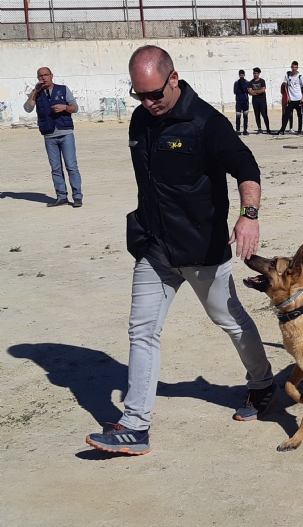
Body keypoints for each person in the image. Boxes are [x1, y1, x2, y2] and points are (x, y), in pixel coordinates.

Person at [85, 45, 274, 455]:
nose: (149, 103)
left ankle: (262, 383)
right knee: (142, 329)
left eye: (155, 94)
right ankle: (135, 425)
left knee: (231, 320)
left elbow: (246, 166)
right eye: (140, 95)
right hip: (154, 245)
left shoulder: (206, 121)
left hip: (201, 247)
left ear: (174, 78)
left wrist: (250, 214)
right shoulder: (140, 119)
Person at [23, 67, 84, 207]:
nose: (43, 78)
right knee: (55, 168)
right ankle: (61, 196)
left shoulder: (63, 89)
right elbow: (27, 108)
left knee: (71, 166)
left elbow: (75, 107)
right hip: (49, 134)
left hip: (65, 133)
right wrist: (35, 91)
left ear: (51, 76)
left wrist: (65, 108)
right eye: (40, 76)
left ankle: (77, 197)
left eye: (46, 75)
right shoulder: (36, 94)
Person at [281, 61, 303, 135]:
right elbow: (285, 86)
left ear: (297, 68)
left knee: (300, 115)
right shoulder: (288, 75)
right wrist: (287, 96)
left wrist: (302, 97)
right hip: (291, 99)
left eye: (295, 67)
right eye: (293, 67)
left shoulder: (300, 77)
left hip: (298, 99)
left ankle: (299, 130)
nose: (294, 69)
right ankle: (282, 130)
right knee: (286, 115)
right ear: (291, 67)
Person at [248, 67, 270, 135]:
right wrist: (258, 92)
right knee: (257, 115)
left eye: (256, 73)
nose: (255, 74)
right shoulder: (251, 82)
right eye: (254, 73)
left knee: (264, 114)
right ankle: (259, 128)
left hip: (262, 100)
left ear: (259, 73)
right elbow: (250, 92)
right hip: (255, 101)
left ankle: (268, 128)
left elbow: (263, 90)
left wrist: (254, 91)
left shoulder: (262, 81)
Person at [233, 69, 250, 136]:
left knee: (245, 116)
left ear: (244, 75)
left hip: (245, 101)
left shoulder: (247, 82)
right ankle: (238, 130)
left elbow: (247, 90)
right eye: (240, 75)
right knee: (238, 116)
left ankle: (245, 130)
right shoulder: (236, 83)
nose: (241, 76)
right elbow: (235, 91)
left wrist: (243, 90)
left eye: (242, 75)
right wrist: (243, 90)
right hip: (239, 101)